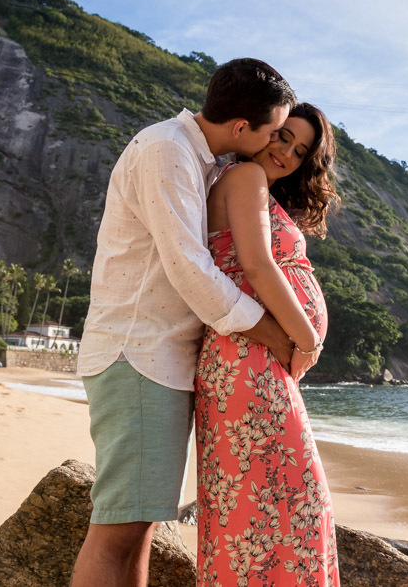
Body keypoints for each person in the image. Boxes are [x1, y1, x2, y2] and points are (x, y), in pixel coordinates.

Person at [71, 59, 298, 587]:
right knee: (117, 530)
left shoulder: (201, 160)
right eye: (272, 131)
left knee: (140, 527)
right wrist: (276, 335)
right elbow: (190, 270)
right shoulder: (166, 150)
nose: (275, 143)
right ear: (240, 127)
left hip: (160, 361)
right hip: (138, 356)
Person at [195, 102, 340, 586]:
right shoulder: (246, 177)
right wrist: (308, 341)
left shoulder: (244, 182)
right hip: (247, 360)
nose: (288, 154)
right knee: (297, 508)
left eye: (301, 151)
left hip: (247, 359)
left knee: (251, 516)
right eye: (284, 137)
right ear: (265, 129)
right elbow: (258, 266)